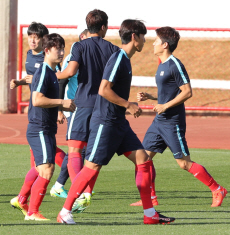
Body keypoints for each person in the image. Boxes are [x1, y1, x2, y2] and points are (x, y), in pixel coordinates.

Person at [57, 19, 175, 225]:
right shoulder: (118, 58)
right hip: (105, 123)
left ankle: (150, 214)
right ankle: (65, 212)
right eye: (143, 37)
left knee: (144, 161)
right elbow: (104, 89)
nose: (145, 41)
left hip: (118, 123)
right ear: (134, 37)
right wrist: (127, 104)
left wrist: (124, 109)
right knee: (91, 167)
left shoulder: (125, 59)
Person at [136, 27, 227, 207]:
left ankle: (217, 189)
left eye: (156, 41)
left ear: (164, 44)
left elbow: (187, 92)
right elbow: (169, 93)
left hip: (172, 122)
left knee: (184, 163)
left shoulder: (175, 64)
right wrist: (151, 97)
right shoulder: (161, 64)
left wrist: (165, 106)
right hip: (159, 122)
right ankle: (151, 199)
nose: (153, 43)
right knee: (143, 158)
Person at [56, 9, 120, 212]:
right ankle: (86, 193)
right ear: (103, 27)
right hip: (104, 106)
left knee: (75, 151)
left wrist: (50, 74)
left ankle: (80, 193)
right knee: (92, 157)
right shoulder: (113, 49)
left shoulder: (79, 46)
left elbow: (70, 72)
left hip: (82, 104)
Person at [10, 23, 67, 216]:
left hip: (47, 127)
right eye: (57, 49)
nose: (61, 52)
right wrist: (62, 104)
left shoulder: (51, 71)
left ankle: (22, 200)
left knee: (41, 166)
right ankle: (33, 212)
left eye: (62, 49)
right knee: (47, 169)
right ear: (47, 50)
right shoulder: (43, 71)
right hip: (39, 126)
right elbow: (37, 99)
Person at [50, 27, 90, 199]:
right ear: (83, 37)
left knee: (81, 149)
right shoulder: (74, 55)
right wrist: (60, 110)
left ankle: (63, 185)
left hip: (85, 108)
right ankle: (67, 187)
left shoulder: (89, 56)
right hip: (73, 107)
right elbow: (62, 81)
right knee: (76, 148)